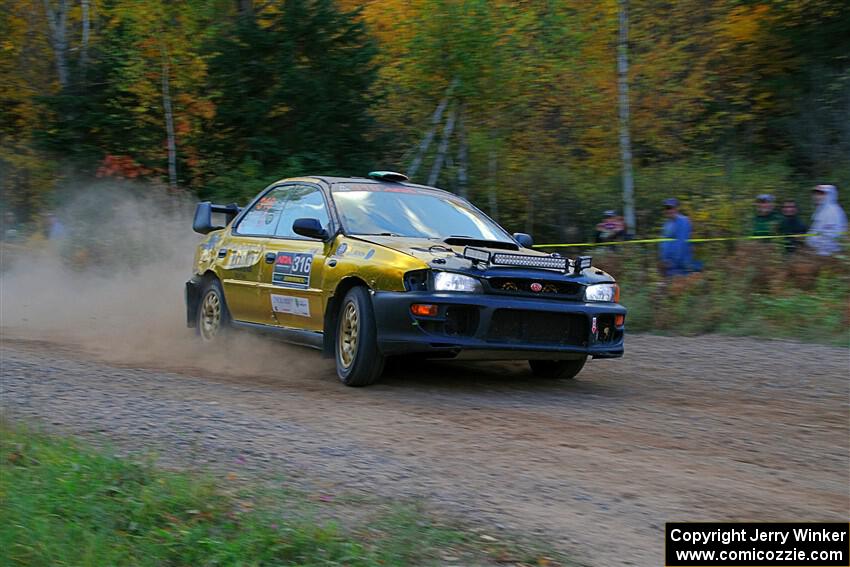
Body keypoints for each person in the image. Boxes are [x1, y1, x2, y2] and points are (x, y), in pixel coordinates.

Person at [659, 198, 697, 276]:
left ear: (676, 208)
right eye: (666, 208)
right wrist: (663, 260)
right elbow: (663, 242)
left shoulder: (683, 221)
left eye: (670, 208)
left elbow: (681, 243)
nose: (668, 210)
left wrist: (672, 262)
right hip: (668, 266)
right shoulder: (667, 224)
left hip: (679, 266)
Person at [807, 184, 847, 256]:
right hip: (819, 253)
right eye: (816, 194)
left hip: (828, 255)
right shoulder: (822, 211)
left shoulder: (832, 212)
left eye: (821, 194)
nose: (817, 196)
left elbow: (831, 236)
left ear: (830, 195)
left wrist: (814, 242)